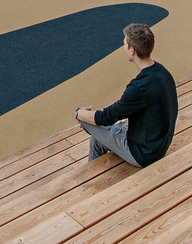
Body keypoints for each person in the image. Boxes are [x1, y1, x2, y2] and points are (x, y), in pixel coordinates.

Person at [74, 23, 177, 167]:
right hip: (159, 142)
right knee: (98, 138)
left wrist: (78, 113)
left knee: (87, 121)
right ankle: (93, 173)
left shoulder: (139, 87)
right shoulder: (163, 72)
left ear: (132, 50)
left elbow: (107, 117)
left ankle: (89, 177)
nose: (123, 47)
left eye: (124, 44)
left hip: (144, 153)